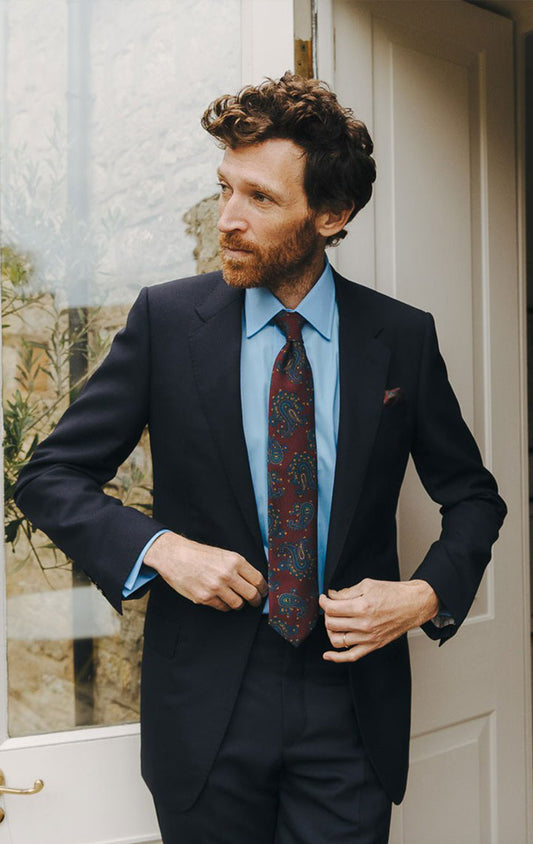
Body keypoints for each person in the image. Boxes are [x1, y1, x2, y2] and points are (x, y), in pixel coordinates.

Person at [14, 73, 506, 844]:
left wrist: (424, 595)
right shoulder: (166, 321)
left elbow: (473, 497)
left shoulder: (401, 337)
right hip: (205, 711)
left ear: (331, 215)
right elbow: (49, 477)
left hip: (350, 709)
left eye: (260, 199)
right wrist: (161, 548)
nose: (227, 220)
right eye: (224, 189)